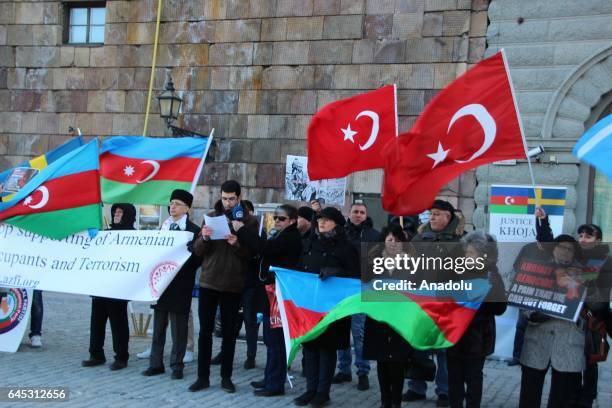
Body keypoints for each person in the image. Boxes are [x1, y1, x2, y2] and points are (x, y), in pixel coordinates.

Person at [535, 211, 611, 407]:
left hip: (593, 317)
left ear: (598, 240)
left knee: (590, 358)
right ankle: (573, 396)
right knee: (573, 361)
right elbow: (550, 246)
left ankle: (587, 397)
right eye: (581, 235)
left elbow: (601, 294)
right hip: (572, 317)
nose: (583, 239)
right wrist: (543, 222)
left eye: (588, 236)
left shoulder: (605, 260)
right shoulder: (575, 255)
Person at [189, 180, 259, 394]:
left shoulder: (249, 221)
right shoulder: (210, 216)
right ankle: (202, 377)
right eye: (224, 198)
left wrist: (236, 243)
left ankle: (226, 377)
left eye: (231, 199)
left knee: (229, 334)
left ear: (239, 198)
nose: (227, 202)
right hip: (209, 280)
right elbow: (198, 250)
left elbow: (252, 253)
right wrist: (205, 238)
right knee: (205, 332)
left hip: (233, 284)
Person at [233, 204, 302, 397]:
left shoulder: (290, 237)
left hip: (279, 294)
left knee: (276, 341)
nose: (277, 221)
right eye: (276, 217)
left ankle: (275, 384)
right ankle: (270, 377)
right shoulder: (279, 235)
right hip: (270, 292)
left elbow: (265, 248)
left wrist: (243, 230)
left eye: (282, 218)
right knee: (271, 340)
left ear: (292, 221)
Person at [295, 206, 360, 407]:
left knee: (326, 350)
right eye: (320, 219)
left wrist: (335, 272)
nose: (321, 222)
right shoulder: (310, 242)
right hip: (311, 305)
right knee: (310, 347)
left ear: (337, 224)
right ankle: (310, 389)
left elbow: (356, 276)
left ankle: (323, 392)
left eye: (327, 220)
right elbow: (300, 266)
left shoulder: (347, 247)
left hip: (333, 307)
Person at [518, 231, 587, 408]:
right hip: (537, 339)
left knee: (562, 400)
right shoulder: (536, 268)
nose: (565, 251)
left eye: (570, 249)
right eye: (561, 247)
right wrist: (532, 315)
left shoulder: (586, 275)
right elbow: (523, 296)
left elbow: (593, 306)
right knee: (529, 397)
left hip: (568, 343)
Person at [404, 199, 461, 407]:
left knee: (443, 350)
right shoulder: (420, 238)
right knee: (419, 345)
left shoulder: (459, 241)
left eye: (437, 214)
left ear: (448, 216)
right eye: (431, 214)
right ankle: (416, 388)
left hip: (446, 304)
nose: (432, 217)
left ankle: (444, 390)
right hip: (421, 303)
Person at [142, 190, 201, 380]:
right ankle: (155, 363)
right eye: (171, 203)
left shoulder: (193, 230)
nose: (172, 207)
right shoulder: (163, 228)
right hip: (162, 283)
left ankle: (177, 365)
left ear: (187, 208)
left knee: (179, 328)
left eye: (176, 203)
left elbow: (198, 258)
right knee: (159, 326)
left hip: (181, 284)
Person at [446, 231, 507, 408]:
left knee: (473, 380)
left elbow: (500, 308)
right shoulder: (455, 270)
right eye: (466, 252)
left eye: (471, 253)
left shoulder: (492, 276)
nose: (466, 256)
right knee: (454, 381)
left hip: (478, 339)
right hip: (454, 335)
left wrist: (486, 295)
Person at [363, 224, 414, 408]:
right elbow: (364, 285)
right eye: (390, 239)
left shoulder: (411, 263)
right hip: (378, 319)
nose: (393, 243)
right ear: (384, 241)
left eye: (398, 240)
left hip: (401, 320)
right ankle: (385, 400)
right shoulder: (372, 261)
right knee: (382, 362)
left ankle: (396, 401)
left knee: (398, 363)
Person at [81, 203, 135, 370]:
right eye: (115, 212)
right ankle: (95, 354)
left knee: (118, 323)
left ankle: (121, 356)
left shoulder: (135, 235)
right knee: (96, 322)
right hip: (101, 285)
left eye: (120, 212)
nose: (117, 215)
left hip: (119, 287)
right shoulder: (105, 233)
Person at [333, 201, 379, 391]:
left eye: (362, 212)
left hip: (362, 288)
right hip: (342, 288)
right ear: (349, 213)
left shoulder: (374, 236)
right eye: (355, 211)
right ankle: (344, 369)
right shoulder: (340, 234)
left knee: (359, 332)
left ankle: (363, 371)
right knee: (341, 331)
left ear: (366, 215)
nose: (358, 215)